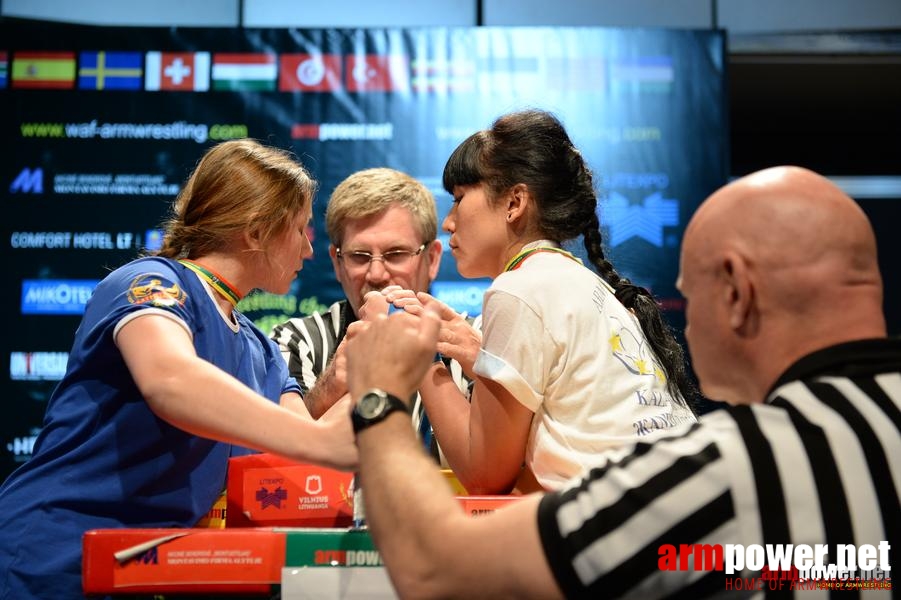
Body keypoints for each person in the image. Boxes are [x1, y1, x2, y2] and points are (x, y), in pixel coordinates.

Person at [344, 165, 898, 598]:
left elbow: (437, 567)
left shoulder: (731, 468)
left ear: (736, 290)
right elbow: (848, 567)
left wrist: (381, 394)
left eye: (692, 293)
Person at [0, 139, 357, 600]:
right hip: (52, 558)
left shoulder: (261, 349)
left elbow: (306, 454)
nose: (310, 250)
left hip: (138, 572)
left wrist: (370, 376)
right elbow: (170, 380)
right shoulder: (152, 281)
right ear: (255, 232)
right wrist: (322, 436)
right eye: (302, 229)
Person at [405, 109, 696, 494]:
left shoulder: (518, 289)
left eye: (459, 199)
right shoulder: (581, 283)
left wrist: (419, 357)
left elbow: (483, 475)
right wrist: (480, 361)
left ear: (514, 202)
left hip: (628, 536)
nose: (449, 221)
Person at [270, 167, 478, 462]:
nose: (377, 274)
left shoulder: (478, 341)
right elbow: (274, 460)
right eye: (359, 256)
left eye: (396, 254)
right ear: (337, 263)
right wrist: (333, 385)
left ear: (431, 259)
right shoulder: (295, 341)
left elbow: (494, 465)